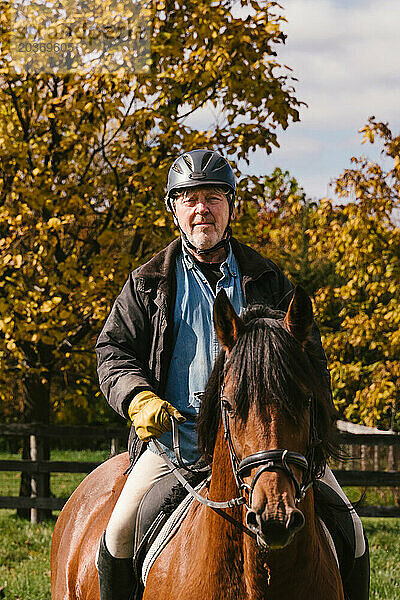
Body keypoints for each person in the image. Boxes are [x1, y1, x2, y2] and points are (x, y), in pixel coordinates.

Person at [95, 149, 369, 600]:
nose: (202, 209)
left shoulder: (269, 279)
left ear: (231, 207)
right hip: (174, 447)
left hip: (272, 447)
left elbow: (312, 365)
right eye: (189, 199)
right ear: (174, 210)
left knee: (352, 534)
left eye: (214, 197)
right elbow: (112, 350)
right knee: (118, 535)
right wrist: (136, 398)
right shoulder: (146, 282)